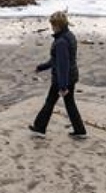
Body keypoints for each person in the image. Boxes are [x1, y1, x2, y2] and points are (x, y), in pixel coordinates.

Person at [29, 10, 87, 139]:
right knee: (70, 104)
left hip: (62, 79)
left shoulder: (61, 42)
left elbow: (63, 65)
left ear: (58, 25)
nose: (52, 28)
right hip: (70, 77)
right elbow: (57, 60)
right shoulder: (69, 35)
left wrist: (62, 86)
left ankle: (39, 128)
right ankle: (80, 130)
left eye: (53, 25)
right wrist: (42, 67)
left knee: (50, 102)